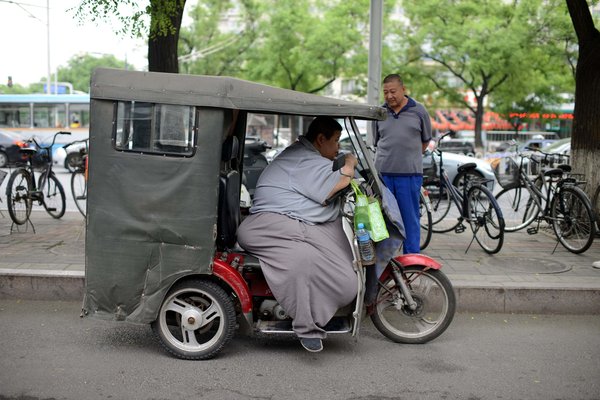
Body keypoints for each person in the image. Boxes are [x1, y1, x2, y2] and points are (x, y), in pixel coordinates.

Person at [236, 116, 358, 353]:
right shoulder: (304, 160)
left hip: (281, 222)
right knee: (303, 259)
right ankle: (306, 325)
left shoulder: (304, 156)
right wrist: (350, 161)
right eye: (335, 142)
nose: (337, 149)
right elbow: (338, 183)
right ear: (320, 139)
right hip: (268, 226)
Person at [373, 74, 432, 254]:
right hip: (384, 175)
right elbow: (377, 141)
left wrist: (408, 157)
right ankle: (384, 263)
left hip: (409, 175)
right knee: (385, 220)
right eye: (386, 92)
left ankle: (411, 259)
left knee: (410, 219)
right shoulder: (380, 113)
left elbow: (425, 141)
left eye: (393, 91)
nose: (389, 96)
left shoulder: (419, 111)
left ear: (403, 89)